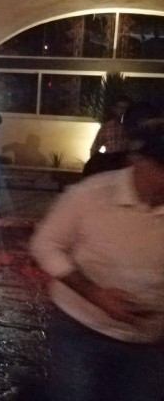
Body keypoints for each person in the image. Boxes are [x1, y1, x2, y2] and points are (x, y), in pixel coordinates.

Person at [30, 122, 164, 401]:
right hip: (81, 331)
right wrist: (95, 294)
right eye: (161, 168)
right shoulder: (91, 194)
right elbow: (45, 245)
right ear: (138, 160)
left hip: (151, 340)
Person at [83, 94, 133, 177]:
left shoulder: (133, 127)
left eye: (125, 108)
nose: (122, 111)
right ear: (114, 109)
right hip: (110, 165)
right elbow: (95, 148)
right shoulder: (107, 127)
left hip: (126, 166)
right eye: (120, 108)